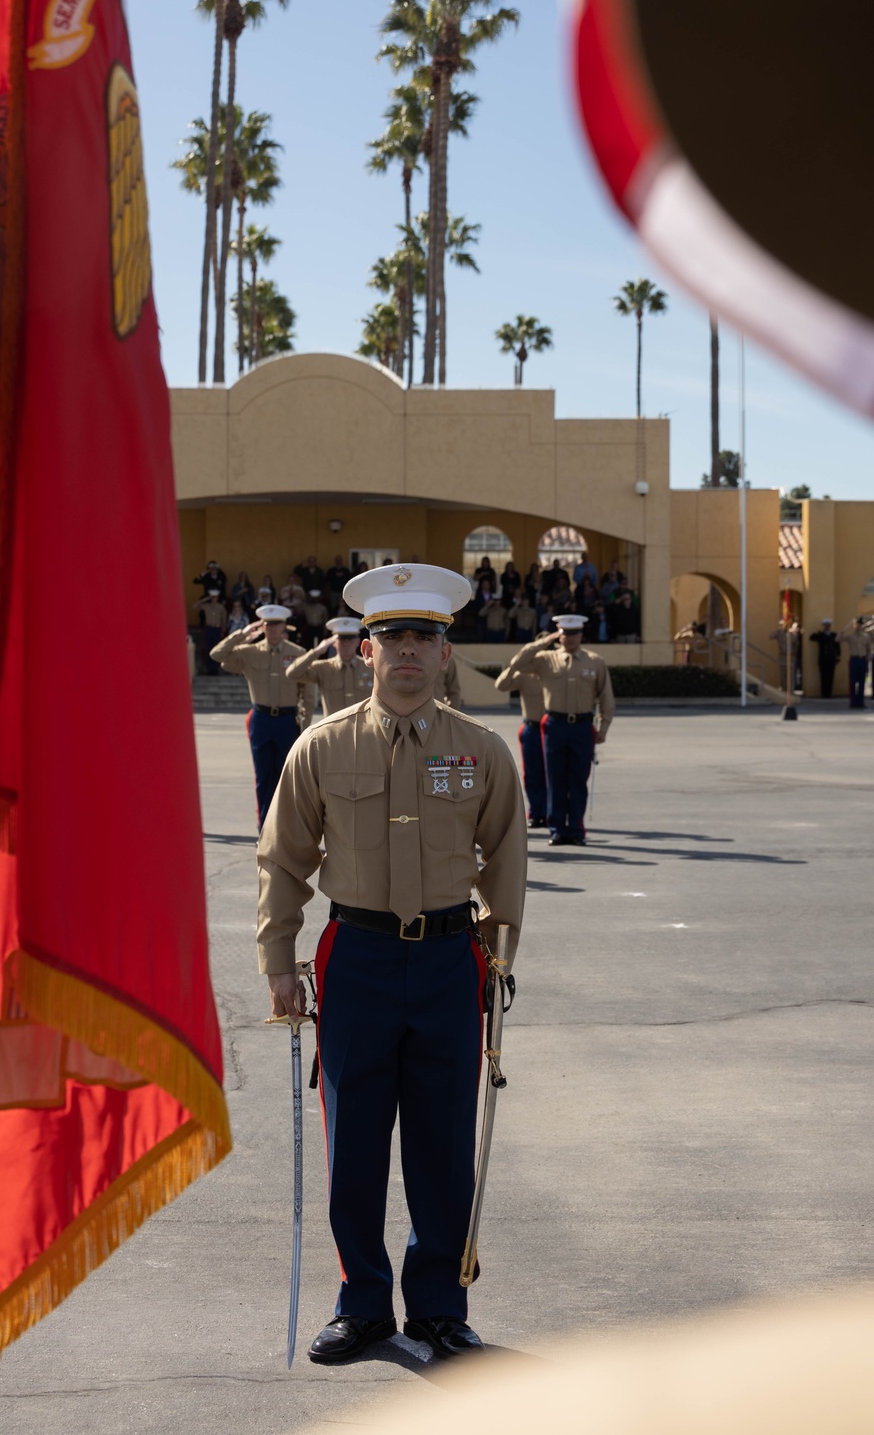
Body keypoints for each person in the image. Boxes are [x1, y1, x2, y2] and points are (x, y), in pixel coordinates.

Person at [257, 563, 527, 1364]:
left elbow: (506, 857)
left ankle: (439, 1307)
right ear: (365, 652)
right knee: (357, 1143)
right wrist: (279, 958)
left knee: (444, 1146)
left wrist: (499, 953)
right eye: (391, 637)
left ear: (445, 654)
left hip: (450, 961)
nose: (407, 651)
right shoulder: (320, 748)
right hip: (359, 959)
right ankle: (364, 1304)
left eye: (424, 637)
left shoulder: (482, 752)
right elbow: (283, 859)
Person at [508, 614, 615, 846]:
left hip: (582, 726)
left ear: (581, 635)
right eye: (564, 633)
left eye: (574, 633)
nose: (569, 638)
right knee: (554, 778)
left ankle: (575, 829)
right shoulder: (546, 659)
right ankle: (556, 829)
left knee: (578, 779)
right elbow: (517, 663)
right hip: (555, 724)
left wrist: (603, 726)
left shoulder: (594, 661)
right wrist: (543, 642)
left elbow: (606, 697)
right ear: (558, 634)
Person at [211, 603, 306, 829]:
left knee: (287, 777)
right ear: (261, 626)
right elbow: (217, 655)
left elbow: (306, 690)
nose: (272, 629)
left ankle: (285, 828)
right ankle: (265, 827)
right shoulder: (249, 652)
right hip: (261, 719)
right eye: (267, 625)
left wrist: (307, 720)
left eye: (276, 624)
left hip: (286, 720)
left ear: (284, 626)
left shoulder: (298, 653)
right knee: (263, 776)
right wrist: (242, 634)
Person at [494, 643, 556, 829]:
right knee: (532, 774)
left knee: (555, 774)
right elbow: (501, 685)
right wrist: (514, 666)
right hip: (533, 728)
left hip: (554, 728)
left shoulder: (558, 674)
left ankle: (554, 814)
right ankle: (537, 813)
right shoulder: (524, 675)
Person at [285, 616, 374, 716]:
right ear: (334, 643)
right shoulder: (323, 667)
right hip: (334, 730)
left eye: (350, 639)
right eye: (342, 639)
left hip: (364, 728)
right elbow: (292, 674)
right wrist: (316, 652)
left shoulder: (370, 666)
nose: (346, 644)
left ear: (358, 641)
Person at [837, 617, 873, 708]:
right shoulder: (850, 636)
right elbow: (837, 639)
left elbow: (869, 649)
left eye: (860, 625)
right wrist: (848, 626)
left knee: (862, 682)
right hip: (854, 660)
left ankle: (860, 702)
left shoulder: (865, 636)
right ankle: (853, 702)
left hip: (862, 660)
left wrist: (868, 657)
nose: (858, 627)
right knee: (852, 682)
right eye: (856, 625)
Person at [197, 589, 227, 675]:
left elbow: (224, 618)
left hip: (217, 629)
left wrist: (223, 629)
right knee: (208, 648)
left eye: (215, 597)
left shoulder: (221, 607)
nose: (214, 599)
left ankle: (216, 668)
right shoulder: (206, 606)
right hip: (209, 629)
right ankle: (209, 669)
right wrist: (205, 599)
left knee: (216, 648)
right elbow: (195, 607)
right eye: (212, 597)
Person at [809, 619, 841, 698]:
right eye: (825, 626)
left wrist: (838, 657)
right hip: (823, 659)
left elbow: (838, 647)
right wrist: (819, 632)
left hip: (831, 659)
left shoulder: (834, 635)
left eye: (828, 626)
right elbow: (811, 638)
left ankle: (829, 693)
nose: (827, 628)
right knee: (823, 676)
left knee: (830, 676)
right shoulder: (821, 635)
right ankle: (824, 693)